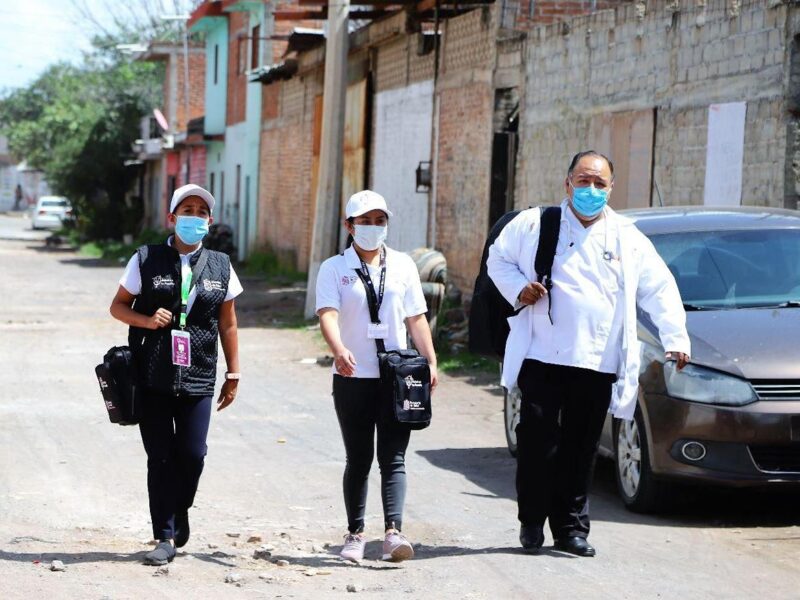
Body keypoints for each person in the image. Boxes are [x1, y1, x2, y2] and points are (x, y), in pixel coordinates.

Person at [487, 151, 690, 557]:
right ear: (567, 184)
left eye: (600, 184)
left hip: (597, 361)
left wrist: (676, 337)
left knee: (581, 449)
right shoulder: (535, 225)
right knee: (536, 444)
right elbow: (498, 259)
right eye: (584, 181)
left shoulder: (627, 237)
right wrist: (520, 290)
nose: (591, 190)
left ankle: (570, 529)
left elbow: (659, 287)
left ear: (611, 189)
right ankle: (531, 523)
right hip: (542, 354)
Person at [109, 183, 243, 566]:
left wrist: (233, 373)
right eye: (187, 210)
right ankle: (163, 534)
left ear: (210, 221)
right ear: (172, 218)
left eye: (202, 211)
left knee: (193, 455)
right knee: (160, 457)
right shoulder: (146, 259)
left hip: (199, 374)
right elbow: (118, 307)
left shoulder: (221, 265)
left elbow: (229, 325)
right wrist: (147, 321)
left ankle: (179, 508)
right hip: (152, 374)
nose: (195, 217)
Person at [315, 190, 438, 563]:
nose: (372, 228)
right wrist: (338, 349)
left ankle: (393, 534)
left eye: (379, 221)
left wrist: (431, 361)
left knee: (394, 457)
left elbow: (416, 318)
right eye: (364, 221)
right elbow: (328, 314)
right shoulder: (334, 269)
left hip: (397, 377)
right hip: (353, 376)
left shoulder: (402, 266)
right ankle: (355, 534)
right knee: (359, 458)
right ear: (349, 226)